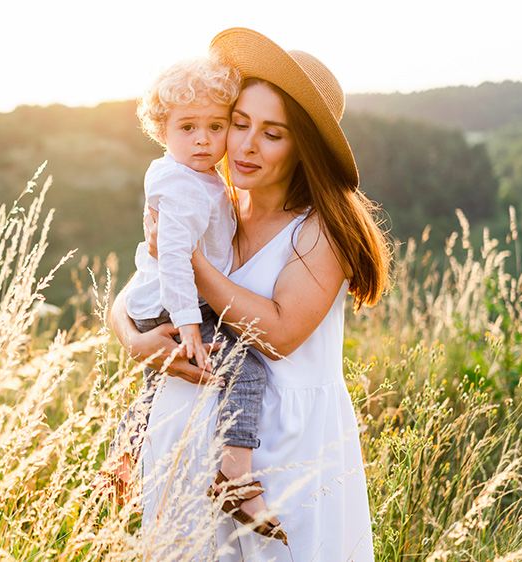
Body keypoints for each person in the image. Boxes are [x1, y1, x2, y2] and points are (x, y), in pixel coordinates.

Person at [109, 28, 390, 561]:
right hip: (186, 439)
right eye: (240, 124)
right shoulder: (211, 202)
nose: (245, 145)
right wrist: (134, 340)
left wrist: (189, 260)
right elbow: (138, 291)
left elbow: (279, 334)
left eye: (273, 133)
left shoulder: (320, 229)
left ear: (302, 148)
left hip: (283, 450)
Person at [104, 55, 284, 543]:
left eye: (216, 126)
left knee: (155, 387)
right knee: (245, 366)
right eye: (188, 127)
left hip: (163, 303)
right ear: (162, 131)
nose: (204, 139)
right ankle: (235, 476)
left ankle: (121, 460)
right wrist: (186, 326)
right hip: (174, 304)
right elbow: (176, 261)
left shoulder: (195, 175)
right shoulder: (182, 183)